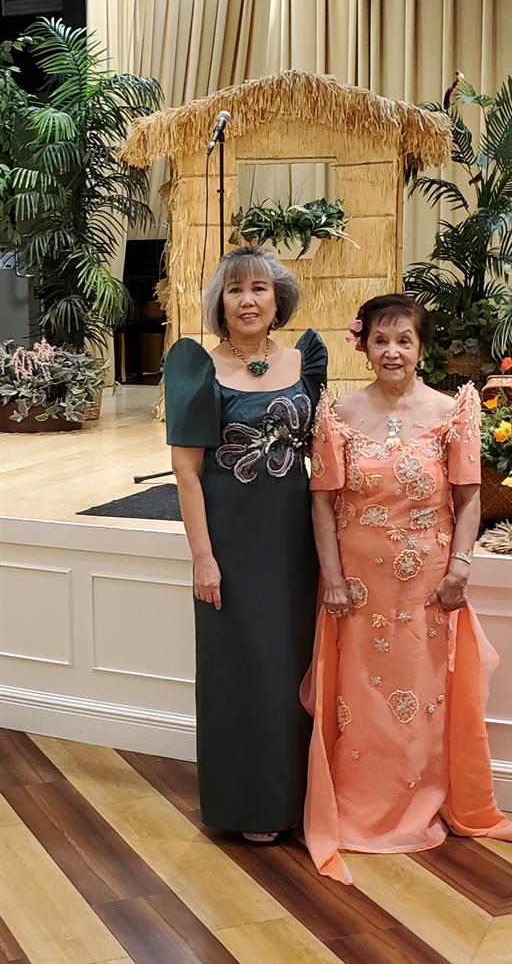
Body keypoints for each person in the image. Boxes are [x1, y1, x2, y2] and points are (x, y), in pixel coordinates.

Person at [302, 293, 512, 882]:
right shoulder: (338, 413)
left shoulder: (453, 410)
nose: (393, 351)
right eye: (382, 340)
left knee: (423, 700)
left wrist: (460, 567)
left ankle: (417, 805)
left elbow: (469, 496)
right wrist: (331, 578)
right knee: (361, 702)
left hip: (427, 585)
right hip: (358, 586)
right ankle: (358, 810)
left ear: (421, 347)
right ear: (365, 345)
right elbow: (322, 503)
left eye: (404, 340)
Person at [164, 245, 327, 841]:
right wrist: (203, 559)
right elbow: (186, 474)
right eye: (235, 291)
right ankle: (250, 807)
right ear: (220, 303)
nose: (249, 300)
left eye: (259, 288)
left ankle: (298, 801)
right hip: (229, 541)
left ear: (277, 297)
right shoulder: (195, 368)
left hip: (293, 541)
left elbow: (320, 453)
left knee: (292, 667)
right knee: (244, 672)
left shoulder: (305, 361)